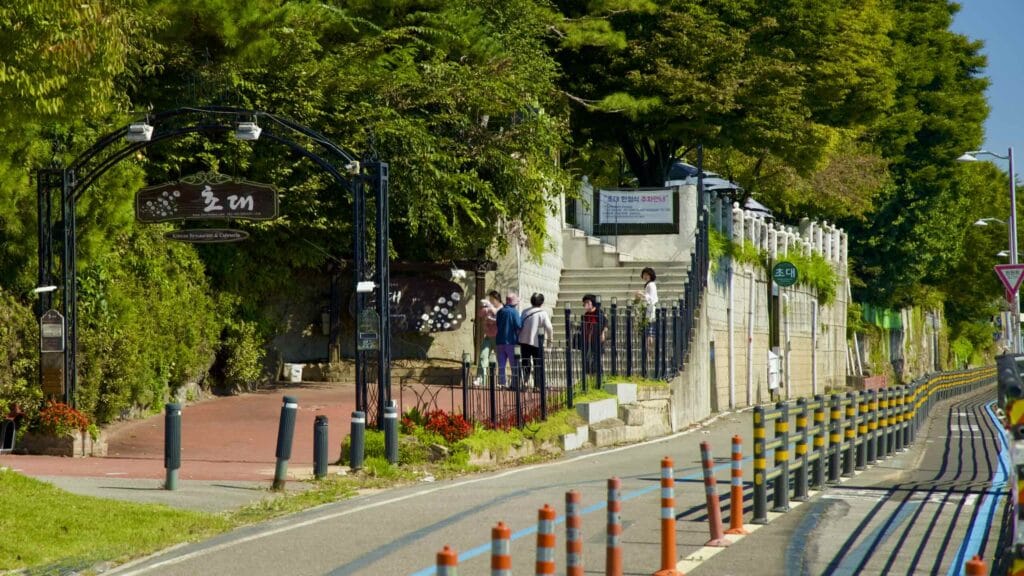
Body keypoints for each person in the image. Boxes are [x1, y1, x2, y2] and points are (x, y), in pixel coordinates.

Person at [518, 293, 554, 387]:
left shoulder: (525, 311)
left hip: (523, 341)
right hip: (537, 342)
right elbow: (549, 328)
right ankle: (538, 385)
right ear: (542, 302)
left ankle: (525, 381)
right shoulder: (543, 313)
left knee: (525, 362)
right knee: (538, 363)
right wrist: (550, 340)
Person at [495, 291, 522, 388]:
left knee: (501, 365)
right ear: (514, 303)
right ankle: (514, 384)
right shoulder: (514, 312)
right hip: (511, 341)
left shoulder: (500, 311)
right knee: (514, 365)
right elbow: (519, 325)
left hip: (499, 341)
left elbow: (497, 324)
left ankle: (502, 383)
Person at [475, 290, 502, 386]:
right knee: (483, 356)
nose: (490, 301)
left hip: (498, 337)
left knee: (500, 360)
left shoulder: (501, 308)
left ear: (497, 299)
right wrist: (486, 309)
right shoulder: (488, 307)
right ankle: (481, 379)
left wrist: (492, 319)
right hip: (488, 336)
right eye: (489, 299)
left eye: (492, 299)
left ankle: (501, 381)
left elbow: (499, 319)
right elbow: (480, 314)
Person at [581, 294, 607, 376]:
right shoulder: (585, 315)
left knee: (596, 358)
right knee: (587, 359)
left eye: (588, 302)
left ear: (592, 303)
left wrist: (602, 333)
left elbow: (605, 323)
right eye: (584, 303)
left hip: (597, 339)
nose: (586, 304)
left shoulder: (598, 312)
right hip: (587, 340)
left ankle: (599, 375)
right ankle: (594, 375)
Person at [635, 267, 659, 344]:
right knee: (649, 334)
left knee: (649, 335)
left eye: (647, 275)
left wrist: (641, 294)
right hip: (649, 311)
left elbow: (651, 299)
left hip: (651, 311)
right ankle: (649, 353)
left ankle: (649, 353)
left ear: (650, 275)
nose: (645, 277)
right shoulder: (649, 285)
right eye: (644, 275)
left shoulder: (651, 285)